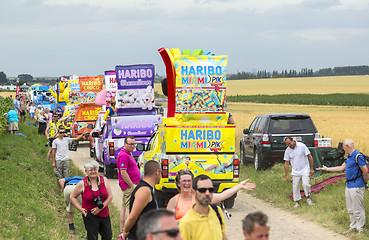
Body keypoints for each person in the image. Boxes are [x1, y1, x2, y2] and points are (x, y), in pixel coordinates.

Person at [317, 139, 368, 232]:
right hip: (349, 185)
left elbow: (365, 171)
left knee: (357, 209)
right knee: (350, 209)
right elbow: (341, 168)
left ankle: (360, 229)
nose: (343, 149)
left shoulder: (358, 156)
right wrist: (327, 169)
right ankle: (353, 227)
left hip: (356, 186)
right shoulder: (349, 157)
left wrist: (365, 183)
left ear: (347, 146)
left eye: (344, 147)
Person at [167, 169, 256, 220]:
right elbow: (170, 225)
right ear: (178, 183)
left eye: (189, 180)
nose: (187, 183)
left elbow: (221, 196)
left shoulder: (200, 197)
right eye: (184, 181)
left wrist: (239, 186)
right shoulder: (174, 201)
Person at [70, 160, 113, 240]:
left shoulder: (104, 180)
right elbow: (72, 197)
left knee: (108, 236)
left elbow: (110, 197)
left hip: (104, 213)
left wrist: (100, 208)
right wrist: (81, 209)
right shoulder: (82, 183)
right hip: (90, 215)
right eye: (91, 170)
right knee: (92, 237)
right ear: (86, 171)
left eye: (95, 169)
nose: (93, 171)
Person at [179, 174, 227, 240]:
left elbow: (223, 236)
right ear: (194, 192)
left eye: (210, 190)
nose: (207, 193)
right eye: (202, 190)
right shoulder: (186, 223)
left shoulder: (217, 211)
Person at [122, 160, 162, 240]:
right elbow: (132, 216)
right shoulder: (144, 190)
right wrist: (125, 231)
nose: (161, 175)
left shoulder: (147, 189)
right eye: (161, 172)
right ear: (157, 172)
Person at [117, 136, 141, 233]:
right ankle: (127, 230)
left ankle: (123, 230)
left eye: (133, 144)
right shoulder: (124, 155)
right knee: (128, 208)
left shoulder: (127, 153)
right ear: (125, 144)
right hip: (129, 185)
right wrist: (131, 185)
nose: (132, 146)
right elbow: (123, 172)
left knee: (124, 207)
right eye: (130, 144)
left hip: (129, 185)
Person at [284, 137, 314, 207]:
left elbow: (309, 156)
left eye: (289, 143)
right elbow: (286, 163)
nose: (289, 145)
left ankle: (308, 198)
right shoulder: (287, 151)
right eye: (287, 145)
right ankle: (297, 202)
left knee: (305, 184)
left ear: (293, 141)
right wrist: (286, 175)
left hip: (305, 169)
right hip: (295, 171)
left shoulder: (302, 146)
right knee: (295, 187)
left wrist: (311, 169)